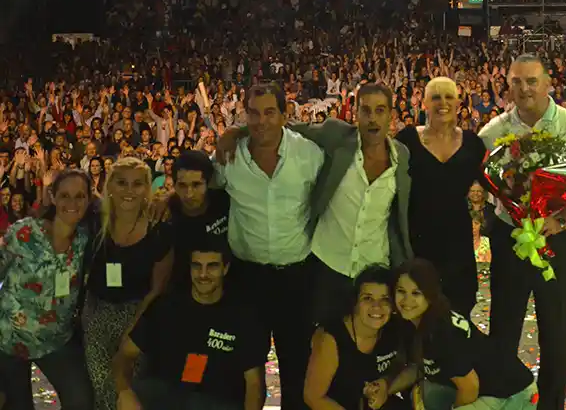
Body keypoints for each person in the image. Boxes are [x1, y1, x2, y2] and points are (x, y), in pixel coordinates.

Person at [218, 83, 413, 324]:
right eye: (366, 110)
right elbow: (280, 126)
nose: (372, 118)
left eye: (380, 110)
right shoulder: (336, 138)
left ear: (391, 115)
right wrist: (237, 130)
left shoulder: (402, 157)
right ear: (355, 113)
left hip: (374, 267)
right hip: (326, 266)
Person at [478, 54, 566, 410]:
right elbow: (481, 183)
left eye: (532, 80)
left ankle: (551, 404)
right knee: (503, 326)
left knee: (556, 328)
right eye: (516, 81)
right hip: (510, 238)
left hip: (558, 238)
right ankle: (505, 401)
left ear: (549, 83)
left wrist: (559, 221)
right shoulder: (492, 133)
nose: (524, 88)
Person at [212, 82, 325, 410]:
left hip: (297, 279)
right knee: (245, 367)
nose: (261, 121)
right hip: (247, 279)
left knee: (296, 366)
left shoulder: (308, 154)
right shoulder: (227, 157)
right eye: (254, 113)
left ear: (284, 115)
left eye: (270, 112)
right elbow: (199, 189)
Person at [112, 238, 265, 410]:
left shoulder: (244, 316)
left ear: (225, 268)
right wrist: (124, 391)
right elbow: (124, 355)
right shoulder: (165, 307)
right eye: (197, 266)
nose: (203, 274)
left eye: (212, 266)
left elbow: (254, 384)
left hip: (217, 402)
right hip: (166, 398)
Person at [82, 156, 175, 410]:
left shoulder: (159, 230)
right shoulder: (94, 221)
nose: (129, 191)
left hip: (140, 316)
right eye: (122, 183)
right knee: (102, 388)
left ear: (147, 188)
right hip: (97, 314)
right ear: (110, 186)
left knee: (130, 390)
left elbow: (157, 288)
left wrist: (133, 329)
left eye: (137, 184)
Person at [0, 170, 95, 410]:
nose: (72, 203)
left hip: (57, 340)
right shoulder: (25, 232)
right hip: (10, 339)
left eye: (80, 196)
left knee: (80, 401)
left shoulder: (85, 238)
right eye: (65, 195)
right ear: (52, 197)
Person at [393, 258, 537, 410]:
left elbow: (470, 388)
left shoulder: (441, 332)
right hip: (486, 387)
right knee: (428, 391)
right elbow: (419, 367)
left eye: (416, 293)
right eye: (401, 291)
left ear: (430, 295)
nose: (407, 300)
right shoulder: (416, 320)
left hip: (513, 395)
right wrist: (386, 389)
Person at [396, 77, 487, 315]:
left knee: (457, 316)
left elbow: (494, 185)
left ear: (459, 103)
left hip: (458, 247)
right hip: (417, 245)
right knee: (414, 317)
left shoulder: (473, 144)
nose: (442, 103)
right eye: (435, 97)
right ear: (424, 103)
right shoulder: (406, 141)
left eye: (448, 97)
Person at [303, 264, 405, 410]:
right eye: (368, 298)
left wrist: (386, 383)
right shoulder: (331, 338)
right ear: (355, 302)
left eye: (385, 299)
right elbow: (313, 397)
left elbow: (409, 366)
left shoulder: (393, 328)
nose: (377, 306)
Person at [168, 150, 231, 290]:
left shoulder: (225, 202)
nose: (189, 194)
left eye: (196, 185)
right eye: (182, 185)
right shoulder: (167, 216)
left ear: (208, 183)